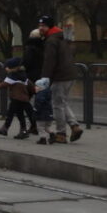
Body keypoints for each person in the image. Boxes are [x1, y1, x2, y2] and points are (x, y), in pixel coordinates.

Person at [37, 15, 84, 143]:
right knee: (62, 102)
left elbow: (49, 61)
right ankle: (74, 126)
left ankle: (61, 133)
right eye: (40, 25)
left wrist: (45, 78)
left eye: (43, 26)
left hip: (60, 76)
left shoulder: (51, 40)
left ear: (49, 27)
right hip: (70, 73)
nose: (40, 28)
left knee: (57, 105)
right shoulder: (61, 37)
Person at [0, 57, 35, 139]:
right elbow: (31, 86)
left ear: (12, 68)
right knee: (20, 114)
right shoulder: (23, 75)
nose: (6, 69)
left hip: (16, 99)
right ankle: (23, 131)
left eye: (7, 67)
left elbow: (4, 84)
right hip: (24, 99)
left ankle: (5, 129)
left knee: (10, 114)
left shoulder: (12, 76)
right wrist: (31, 93)